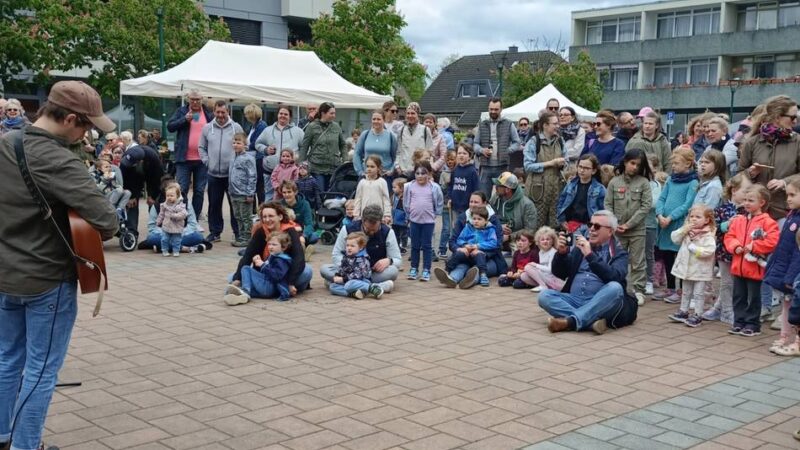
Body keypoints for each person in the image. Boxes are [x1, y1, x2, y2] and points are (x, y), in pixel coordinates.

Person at [0, 80, 118, 450]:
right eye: (86, 126)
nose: (87, 135)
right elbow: (108, 220)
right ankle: (25, 445)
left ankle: (3, 436)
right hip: (46, 279)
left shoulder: (5, 143)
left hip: (5, 275)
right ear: (70, 119)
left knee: (6, 360)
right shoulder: (58, 160)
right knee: (41, 369)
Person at [538, 210, 638, 334]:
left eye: (597, 226)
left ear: (610, 231)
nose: (591, 230)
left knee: (615, 288)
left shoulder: (619, 253)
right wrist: (561, 254)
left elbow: (615, 277)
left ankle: (570, 322)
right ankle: (590, 322)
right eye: (590, 225)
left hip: (601, 302)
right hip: (575, 299)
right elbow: (560, 273)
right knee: (544, 296)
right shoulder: (580, 247)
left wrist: (590, 255)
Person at [227, 202, 313, 303]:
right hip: (267, 273)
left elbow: (299, 258)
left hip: (285, 274)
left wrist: (290, 282)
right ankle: (275, 291)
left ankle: (281, 289)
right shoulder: (261, 232)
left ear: (280, 217)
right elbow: (247, 256)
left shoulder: (289, 231)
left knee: (307, 271)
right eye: (264, 217)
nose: (267, 220)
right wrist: (237, 279)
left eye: (271, 216)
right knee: (232, 277)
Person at [724, 184, 779, 336]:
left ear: (761, 203)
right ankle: (739, 322)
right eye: (745, 200)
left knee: (754, 297)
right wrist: (736, 247)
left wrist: (753, 246)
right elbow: (730, 236)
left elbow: (773, 241)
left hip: (755, 268)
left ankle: (752, 324)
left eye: (751, 200)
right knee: (738, 296)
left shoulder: (767, 222)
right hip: (738, 266)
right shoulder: (739, 220)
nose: (747, 203)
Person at [739, 95, 800, 221]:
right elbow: (738, 176)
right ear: (777, 117)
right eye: (793, 117)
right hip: (756, 213)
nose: (795, 121)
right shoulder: (752, 142)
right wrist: (750, 173)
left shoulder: (798, 141)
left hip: (786, 212)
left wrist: (784, 182)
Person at [605, 148, 653, 306]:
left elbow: (645, 207)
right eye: (632, 163)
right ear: (625, 162)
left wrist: (629, 224)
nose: (635, 167)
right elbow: (608, 204)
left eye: (638, 165)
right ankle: (618, 286)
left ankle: (639, 290)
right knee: (618, 259)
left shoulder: (644, 183)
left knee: (638, 261)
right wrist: (614, 224)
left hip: (636, 230)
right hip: (617, 230)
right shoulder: (614, 182)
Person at [703, 173, 751, 324]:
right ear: (734, 190)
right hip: (724, 252)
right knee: (726, 282)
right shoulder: (722, 209)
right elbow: (713, 228)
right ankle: (727, 312)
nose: (747, 195)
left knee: (734, 282)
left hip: (740, 251)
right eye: (745, 190)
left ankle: (717, 309)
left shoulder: (747, 211)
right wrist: (727, 224)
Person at [654, 147, 699, 303]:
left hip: (678, 224)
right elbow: (661, 198)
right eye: (672, 163)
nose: (673, 166)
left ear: (687, 164)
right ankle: (670, 287)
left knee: (679, 256)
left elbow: (687, 204)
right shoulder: (670, 179)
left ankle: (681, 289)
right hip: (664, 223)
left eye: (677, 163)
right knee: (666, 255)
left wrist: (671, 217)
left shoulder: (693, 182)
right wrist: (660, 214)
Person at [320, 204, 402, 288]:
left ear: (380, 221)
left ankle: (341, 283)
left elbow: (398, 259)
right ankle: (373, 287)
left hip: (371, 272)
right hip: (349, 270)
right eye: (368, 229)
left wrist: (389, 261)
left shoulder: (388, 232)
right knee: (324, 269)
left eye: (374, 229)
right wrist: (349, 267)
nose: (371, 232)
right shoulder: (347, 229)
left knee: (393, 272)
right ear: (363, 220)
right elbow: (336, 254)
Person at [763, 175, 800, 353]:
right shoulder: (792, 216)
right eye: (788, 195)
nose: (788, 199)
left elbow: (798, 253)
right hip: (787, 273)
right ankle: (784, 337)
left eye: (793, 195)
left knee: (797, 308)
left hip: (794, 275)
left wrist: (791, 276)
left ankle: (798, 342)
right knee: (786, 306)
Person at [199, 100, 243, 243]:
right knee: (214, 204)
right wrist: (207, 161)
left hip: (232, 175)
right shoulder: (207, 128)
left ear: (228, 112)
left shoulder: (236, 127)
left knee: (235, 204)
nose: (220, 115)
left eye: (223, 112)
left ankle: (238, 232)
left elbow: (243, 146)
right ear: (214, 112)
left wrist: (237, 164)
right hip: (213, 174)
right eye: (217, 112)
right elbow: (201, 147)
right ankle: (215, 232)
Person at [666, 205, 717, 327]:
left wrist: (695, 249)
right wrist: (683, 229)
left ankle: (698, 314)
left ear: (707, 220)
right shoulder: (687, 231)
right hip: (686, 269)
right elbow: (674, 238)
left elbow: (710, 250)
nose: (693, 219)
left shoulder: (708, 234)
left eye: (698, 217)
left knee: (699, 294)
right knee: (686, 291)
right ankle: (684, 311)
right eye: (691, 217)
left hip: (700, 270)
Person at [446, 192, 509, 287]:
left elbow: (498, 245)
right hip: (467, 256)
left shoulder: (493, 220)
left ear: (485, 203)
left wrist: (480, 250)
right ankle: (451, 279)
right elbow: (453, 241)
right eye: (471, 201)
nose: (473, 204)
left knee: (477, 268)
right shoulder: (463, 218)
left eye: (476, 202)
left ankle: (470, 281)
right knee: (462, 267)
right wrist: (460, 248)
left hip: (489, 259)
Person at [167, 89, 213, 218]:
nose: (195, 102)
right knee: (182, 190)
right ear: (188, 99)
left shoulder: (208, 113)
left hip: (202, 159)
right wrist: (184, 119)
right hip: (184, 159)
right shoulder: (181, 111)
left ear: (201, 99)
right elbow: (170, 127)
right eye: (192, 99)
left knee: (199, 191)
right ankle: (184, 216)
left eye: (197, 99)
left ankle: (195, 218)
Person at [139, 176, 207, 254]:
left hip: (182, 233)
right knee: (151, 238)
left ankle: (164, 247)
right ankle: (183, 248)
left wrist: (181, 232)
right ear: (165, 194)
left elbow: (192, 223)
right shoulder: (157, 205)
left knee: (198, 236)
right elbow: (152, 227)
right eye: (169, 194)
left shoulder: (186, 203)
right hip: (164, 234)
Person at [524, 111, 567, 229]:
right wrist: (551, 163)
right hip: (537, 190)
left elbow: (566, 160)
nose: (558, 126)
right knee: (536, 224)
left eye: (558, 123)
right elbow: (528, 166)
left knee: (555, 224)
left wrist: (563, 164)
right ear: (545, 125)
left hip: (556, 188)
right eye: (555, 123)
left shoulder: (560, 141)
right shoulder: (533, 142)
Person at [437, 206, 497, 288]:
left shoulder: (490, 229)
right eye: (474, 219)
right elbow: (460, 239)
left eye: (479, 219)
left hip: (479, 254)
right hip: (468, 253)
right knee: (459, 253)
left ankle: (483, 275)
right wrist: (465, 245)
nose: (476, 221)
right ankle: (447, 270)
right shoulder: (468, 227)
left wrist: (478, 246)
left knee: (480, 255)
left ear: (486, 220)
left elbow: (493, 243)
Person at [226, 232, 294, 304]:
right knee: (239, 289)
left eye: (274, 244)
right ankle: (240, 295)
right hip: (267, 289)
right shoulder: (273, 256)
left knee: (246, 268)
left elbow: (277, 276)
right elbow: (267, 270)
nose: (270, 247)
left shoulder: (281, 260)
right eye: (269, 244)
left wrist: (262, 265)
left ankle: (245, 292)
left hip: (269, 287)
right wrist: (259, 263)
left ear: (284, 247)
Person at [404, 160, 444, 282]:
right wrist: (409, 215)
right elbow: (406, 203)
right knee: (415, 246)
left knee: (427, 246)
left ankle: (426, 269)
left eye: (423, 173)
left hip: (428, 222)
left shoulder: (434, 187)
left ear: (429, 174)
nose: (420, 176)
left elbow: (439, 201)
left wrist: (435, 214)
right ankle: (414, 268)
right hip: (414, 221)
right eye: (417, 173)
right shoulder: (409, 186)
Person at [119, 131, 163, 238]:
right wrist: (132, 196)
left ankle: (157, 229)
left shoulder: (153, 158)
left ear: (140, 160)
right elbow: (126, 179)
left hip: (152, 175)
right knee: (131, 202)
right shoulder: (126, 159)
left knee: (154, 202)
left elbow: (156, 179)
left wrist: (152, 195)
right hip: (134, 177)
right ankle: (132, 232)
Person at [474, 98, 521, 197]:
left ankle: (501, 213)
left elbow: (517, 143)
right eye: (491, 109)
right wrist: (482, 150)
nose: (493, 111)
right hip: (486, 167)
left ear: (501, 109)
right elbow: (475, 144)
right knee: (484, 197)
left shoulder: (509, 124)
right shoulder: (482, 124)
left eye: (496, 109)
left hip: (502, 167)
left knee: (503, 196)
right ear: (488, 109)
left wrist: (507, 150)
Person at [256, 105, 304, 201]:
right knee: (270, 198)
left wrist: (298, 157)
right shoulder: (268, 130)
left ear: (290, 117)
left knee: (289, 199)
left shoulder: (298, 131)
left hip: (290, 173)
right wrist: (266, 149)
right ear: (277, 115)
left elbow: (305, 148)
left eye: (286, 114)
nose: (283, 116)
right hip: (270, 171)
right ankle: (270, 215)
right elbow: (258, 143)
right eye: (281, 113)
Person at [298, 102, 346, 192]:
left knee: (331, 194)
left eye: (334, 113)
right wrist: (301, 164)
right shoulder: (312, 127)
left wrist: (345, 159)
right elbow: (304, 146)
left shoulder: (336, 127)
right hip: (317, 168)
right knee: (320, 193)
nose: (334, 116)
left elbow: (343, 145)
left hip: (334, 167)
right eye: (331, 113)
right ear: (323, 113)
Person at [328, 232, 387, 299]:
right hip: (348, 280)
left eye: (352, 246)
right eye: (347, 245)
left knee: (348, 285)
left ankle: (371, 288)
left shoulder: (362, 259)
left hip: (361, 281)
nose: (349, 248)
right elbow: (343, 269)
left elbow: (358, 275)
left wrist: (343, 279)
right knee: (332, 286)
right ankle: (354, 293)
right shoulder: (346, 256)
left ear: (361, 247)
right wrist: (338, 275)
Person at [557, 154, 606, 234]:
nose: (582, 170)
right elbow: (561, 202)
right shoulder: (571, 185)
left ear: (593, 171)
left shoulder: (600, 189)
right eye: (580, 167)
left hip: (589, 227)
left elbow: (603, 210)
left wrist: (596, 226)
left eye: (586, 168)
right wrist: (562, 220)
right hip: (570, 224)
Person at [489, 172, 538, 248]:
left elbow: (530, 230)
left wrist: (509, 236)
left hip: (518, 242)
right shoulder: (495, 198)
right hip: (495, 236)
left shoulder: (527, 205)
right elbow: (485, 219)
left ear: (507, 189)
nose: (495, 187)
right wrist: (499, 226)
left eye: (498, 185)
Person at [229, 132, 257, 247]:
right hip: (233, 192)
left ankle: (247, 237)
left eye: (238, 143)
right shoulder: (233, 158)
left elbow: (252, 176)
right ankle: (240, 236)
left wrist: (250, 193)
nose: (235, 145)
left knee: (246, 216)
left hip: (244, 193)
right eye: (234, 142)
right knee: (237, 215)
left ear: (245, 144)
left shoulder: (248, 159)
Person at [354, 110, 397, 182]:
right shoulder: (365, 134)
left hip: (384, 176)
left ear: (384, 120)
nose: (376, 121)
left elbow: (395, 156)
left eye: (378, 119)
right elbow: (357, 154)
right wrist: (360, 172)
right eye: (374, 119)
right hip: (367, 175)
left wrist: (391, 170)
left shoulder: (390, 136)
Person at [521, 226, 565, 293]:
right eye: (542, 240)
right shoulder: (540, 252)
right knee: (523, 276)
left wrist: (536, 265)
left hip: (553, 279)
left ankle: (543, 286)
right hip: (545, 277)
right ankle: (544, 286)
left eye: (548, 239)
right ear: (538, 242)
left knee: (528, 267)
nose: (545, 241)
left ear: (552, 241)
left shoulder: (553, 252)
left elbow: (550, 270)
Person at [395, 102, 433, 178]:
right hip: (404, 170)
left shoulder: (425, 130)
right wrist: (397, 165)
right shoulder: (401, 130)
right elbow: (398, 151)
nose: (410, 116)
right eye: (408, 113)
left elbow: (430, 151)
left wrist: (428, 169)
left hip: (420, 171)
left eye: (413, 113)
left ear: (417, 114)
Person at [353, 155, 392, 222]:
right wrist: (356, 214)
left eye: (372, 167)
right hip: (364, 215)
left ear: (378, 168)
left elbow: (386, 199)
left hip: (379, 215)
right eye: (367, 166)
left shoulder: (382, 182)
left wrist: (387, 214)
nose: (369, 169)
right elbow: (358, 199)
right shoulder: (362, 182)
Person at [279, 180, 318, 246]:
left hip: (300, 231)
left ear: (295, 192)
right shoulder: (279, 205)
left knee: (314, 237)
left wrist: (304, 235)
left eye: (289, 192)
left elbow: (309, 224)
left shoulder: (305, 204)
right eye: (284, 192)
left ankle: (301, 244)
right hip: (285, 231)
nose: (287, 195)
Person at [243, 103, 268, 204]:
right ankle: (254, 210)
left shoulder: (261, 126)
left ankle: (261, 208)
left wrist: (247, 147)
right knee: (254, 185)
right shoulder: (253, 126)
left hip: (259, 159)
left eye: (247, 114)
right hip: (253, 158)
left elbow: (257, 143)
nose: (245, 116)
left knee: (259, 186)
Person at [156, 184, 188, 257]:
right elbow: (161, 214)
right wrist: (158, 221)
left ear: (177, 196)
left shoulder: (181, 205)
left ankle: (176, 250)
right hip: (166, 226)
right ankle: (164, 250)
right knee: (164, 239)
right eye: (168, 196)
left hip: (177, 227)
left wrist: (175, 216)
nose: (169, 197)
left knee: (176, 240)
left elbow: (184, 214)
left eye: (171, 196)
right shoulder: (164, 205)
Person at [449, 143, 480, 219]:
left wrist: (474, 203)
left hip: (467, 207)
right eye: (459, 153)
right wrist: (449, 198)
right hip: (455, 206)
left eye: (464, 153)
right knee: (457, 227)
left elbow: (476, 189)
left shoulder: (472, 171)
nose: (461, 155)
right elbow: (451, 185)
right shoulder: (455, 170)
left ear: (470, 156)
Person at [437, 150, 457, 259]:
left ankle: (455, 248)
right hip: (446, 204)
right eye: (448, 160)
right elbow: (441, 189)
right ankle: (442, 248)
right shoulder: (444, 173)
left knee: (456, 227)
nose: (450, 162)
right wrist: (446, 185)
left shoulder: (459, 172)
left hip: (457, 204)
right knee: (446, 228)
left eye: (452, 159)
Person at [391, 178, 409, 253]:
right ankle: (397, 246)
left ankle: (403, 245)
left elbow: (407, 209)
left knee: (403, 234)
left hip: (402, 219)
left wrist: (407, 219)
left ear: (401, 189)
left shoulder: (406, 197)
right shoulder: (394, 196)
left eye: (395, 187)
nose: (393, 189)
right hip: (395, 219)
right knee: (396, 234)